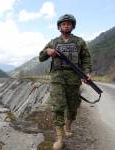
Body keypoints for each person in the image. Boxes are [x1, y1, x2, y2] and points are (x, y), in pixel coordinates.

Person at [39, 14, 92, 150]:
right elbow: (41, 57)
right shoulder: (53, 42)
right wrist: (47, 51)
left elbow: (86, 59)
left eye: (69, 23)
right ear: (59, 27)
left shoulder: (79, 42)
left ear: (72, 26)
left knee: (73, 107)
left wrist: (87, 73)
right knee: (57, 107)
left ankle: (68, 124)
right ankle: (60, 139)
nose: (66, 25)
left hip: (74, 79)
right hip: (57, 78)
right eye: (64, 24)